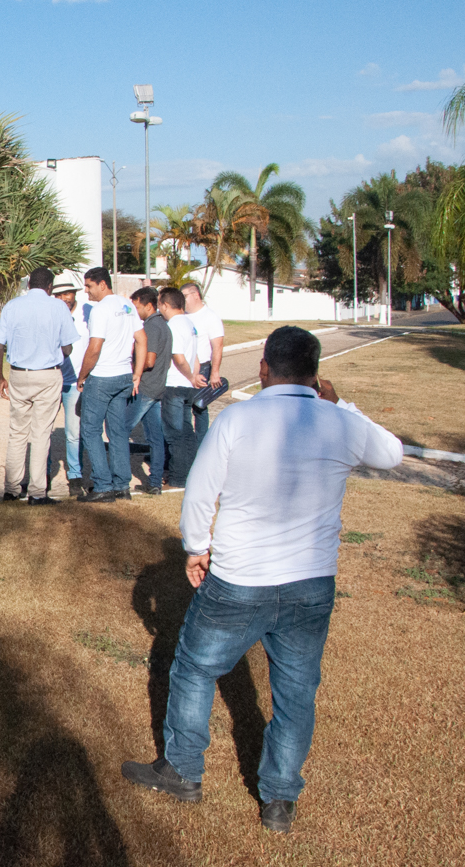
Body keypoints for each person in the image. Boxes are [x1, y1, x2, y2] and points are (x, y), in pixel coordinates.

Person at [122, 326, 402, 834]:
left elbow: (201, 493)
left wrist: (195, 548)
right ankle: (278, 799)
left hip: (240, 579)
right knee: (295, 693)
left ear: (265, 369)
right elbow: (392, 454)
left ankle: (183, 768)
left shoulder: (240, 419)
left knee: (194, 667)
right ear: (316, 377)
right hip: (311, 582)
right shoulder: (336, 421)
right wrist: (343, 407)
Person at [0, 267, 79, 504]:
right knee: (41, 434)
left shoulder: (12, 306)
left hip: (20, 374)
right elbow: (68, 347)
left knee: (18, 433)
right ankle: (37, 492)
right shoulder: (58, 307)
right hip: (48, 375)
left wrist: (0, 377)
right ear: (50, 287)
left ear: (29, 284)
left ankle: (11, 488)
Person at [75, 267, 147, 503]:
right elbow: (141, 339)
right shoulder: (127, 306)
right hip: (124, 376)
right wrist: (136, 373)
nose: (86, 292)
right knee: (117, 432)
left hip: (102, 377)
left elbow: (94, 347)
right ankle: (121, 485)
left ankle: (103, 485)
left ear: (102, 284)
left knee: (91, 431)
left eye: (89, 286)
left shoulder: (100, 310)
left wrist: (82, 376)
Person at [157, 287, 207, 489]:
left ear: (166, 305)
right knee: (187, 433)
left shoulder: (175, 324)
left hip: (175, 385)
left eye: (159, 304)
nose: (159, 308)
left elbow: (178, 357)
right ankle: (191, 474)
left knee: (174, 435)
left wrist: (189, 376)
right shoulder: (189, 322)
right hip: (186, 387)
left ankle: (178, 478)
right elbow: (194, 356)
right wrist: (193, 377)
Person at [128, 286, 171, 495]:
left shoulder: (152, 327)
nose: (135, 312)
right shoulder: (163, 324)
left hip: (146, 387)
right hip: (157, 388)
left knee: (121, 430)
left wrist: (133, 370)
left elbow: (150, 360)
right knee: (155, 438)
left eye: (137, 307)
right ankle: (154, 482)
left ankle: (117, 479)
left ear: (148, 305)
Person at [53, 272, 92, 497]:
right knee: (44, 430)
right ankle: (43, 474)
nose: (65, 298)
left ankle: (75, 474)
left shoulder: (88, 314)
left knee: (74, 431)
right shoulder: (52, 314)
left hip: (77, 381)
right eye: (59, 294)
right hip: (53, 379)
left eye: (68, 293)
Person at [180, 282, 225, 447]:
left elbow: (217, 346)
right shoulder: (183, 315)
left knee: (199, 407)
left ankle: (201, 446)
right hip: (183, 368)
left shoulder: (210, 317)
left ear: (195, 295)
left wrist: (215, 372)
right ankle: (185, 446)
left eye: (184, 296)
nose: (182, 300)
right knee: (182, 407)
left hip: (204, 368)